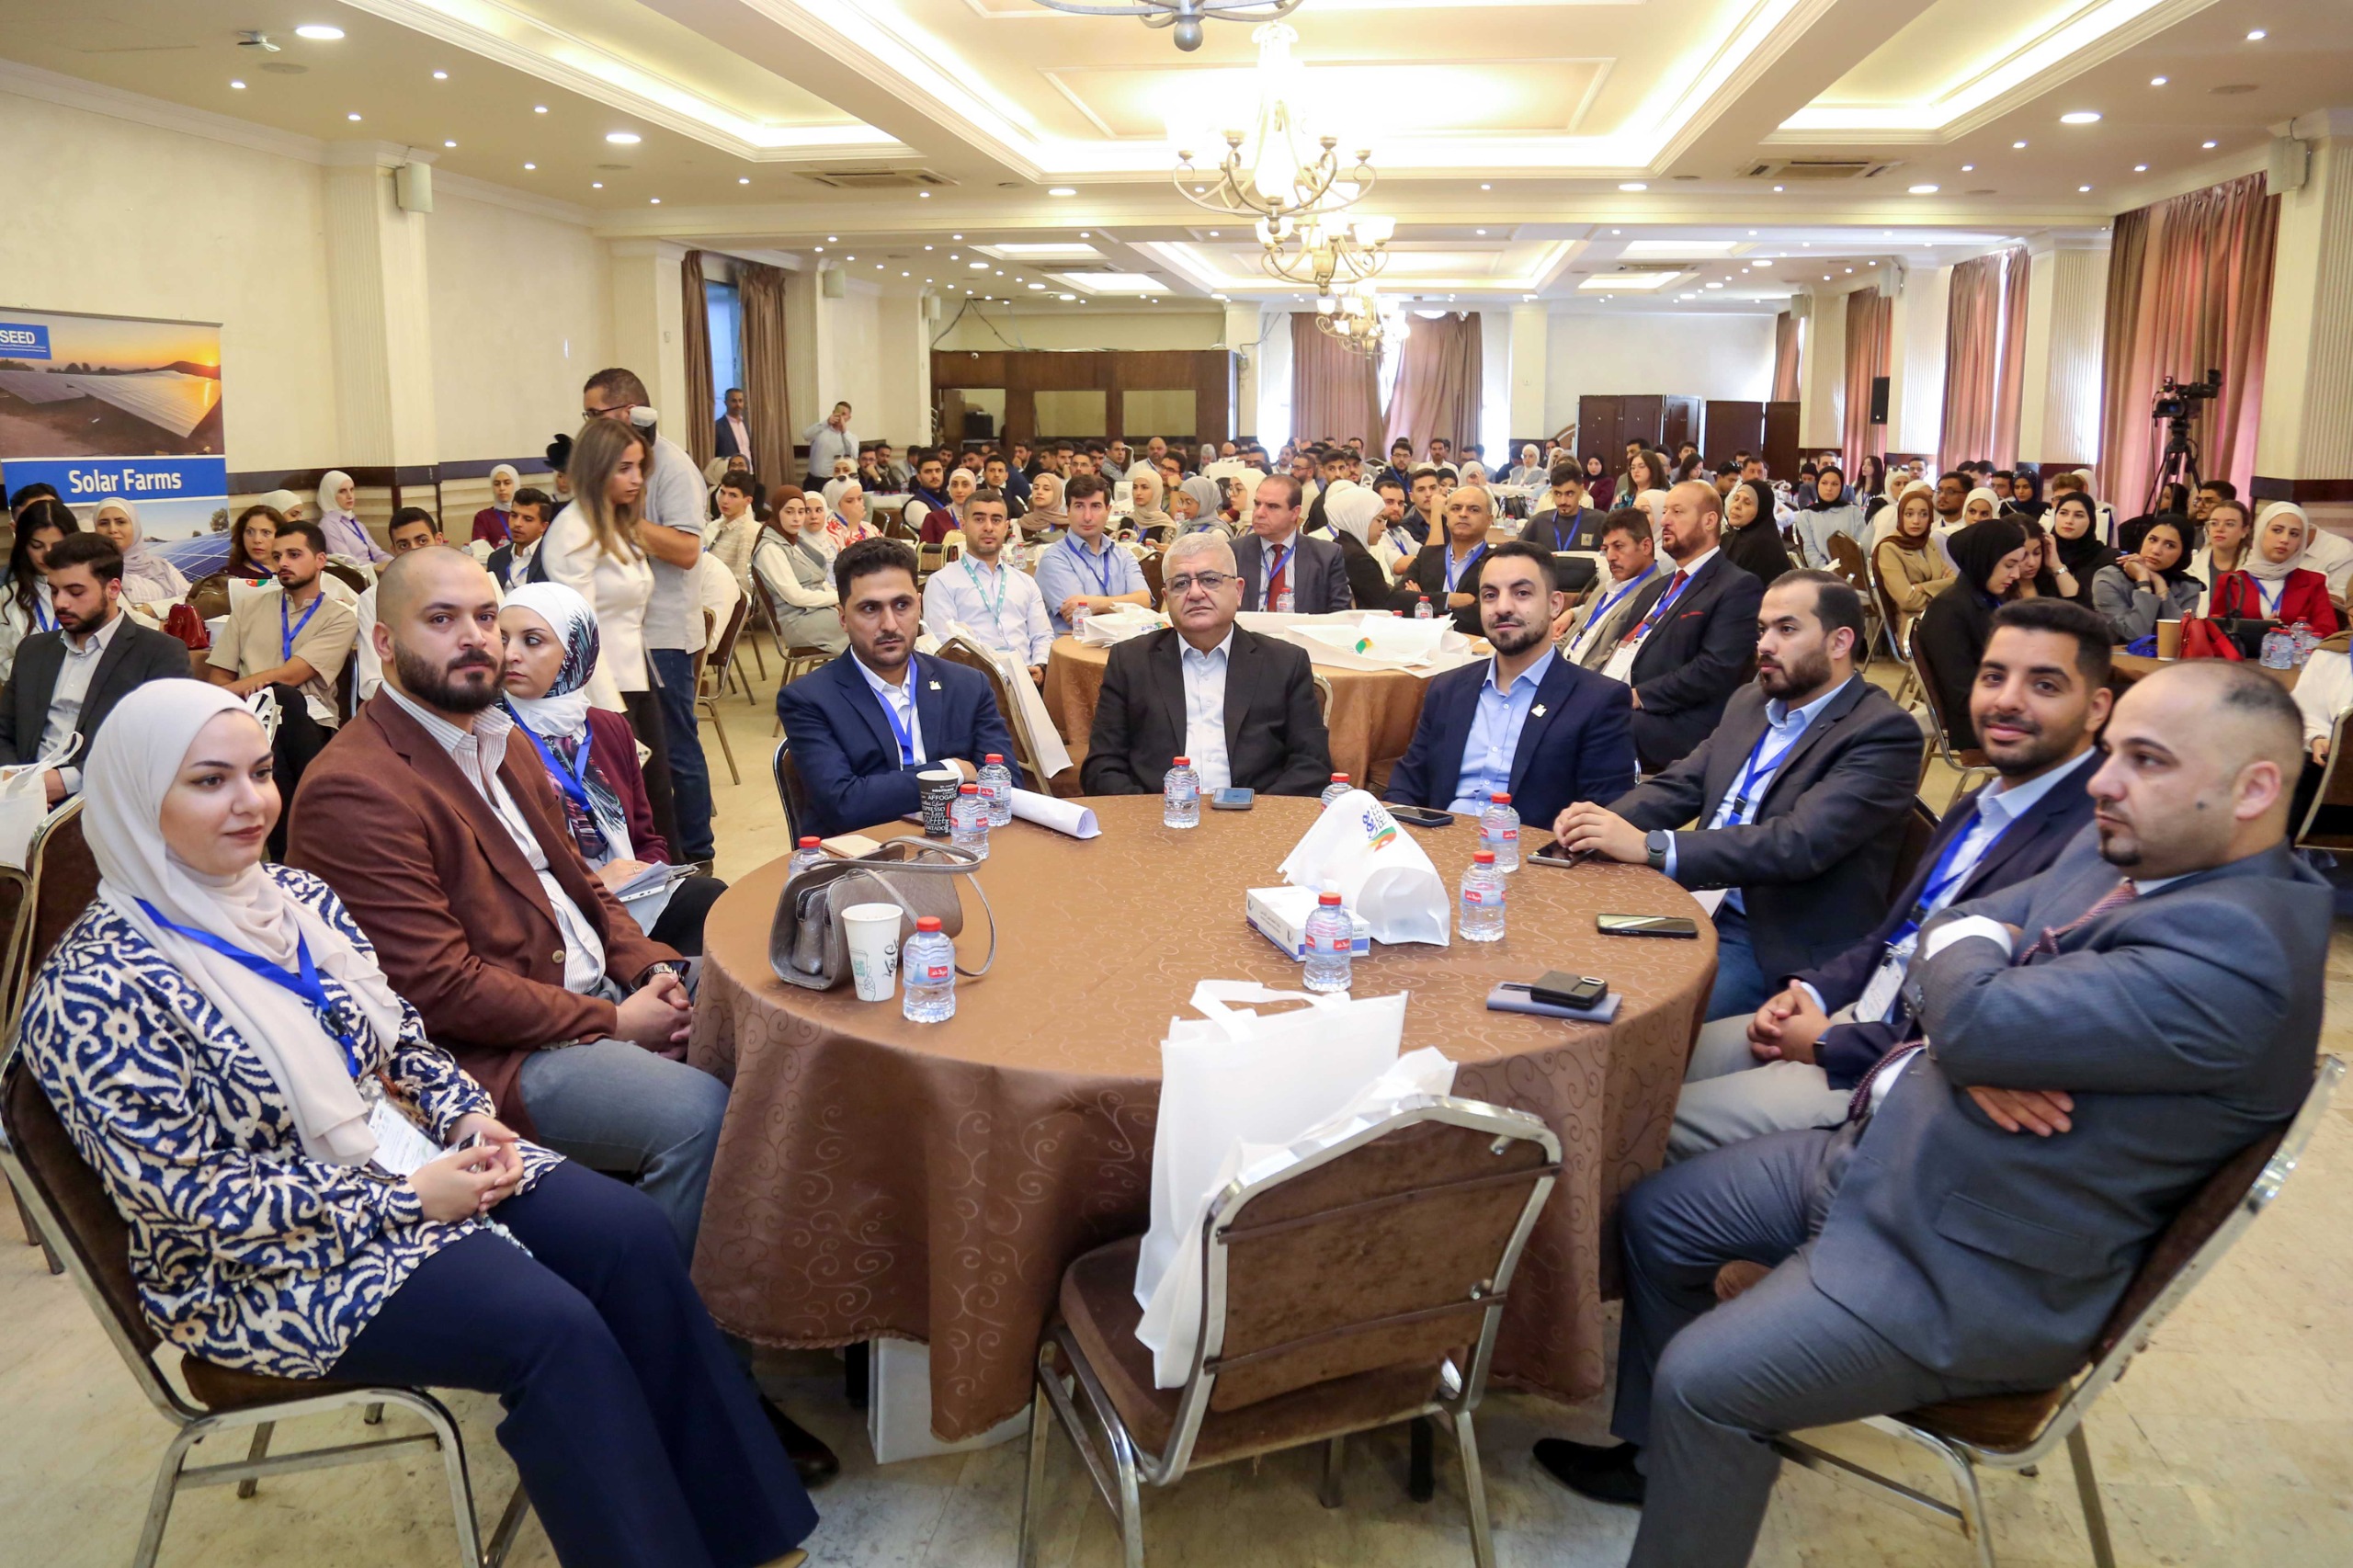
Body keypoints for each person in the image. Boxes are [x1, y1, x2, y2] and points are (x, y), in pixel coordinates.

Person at [1544, 660, 2325, 1568]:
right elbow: (1958, 927)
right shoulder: (2134, 845)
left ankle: (1697, 1450)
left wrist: (1976, 1015)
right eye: (2112, 753)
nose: (2103, 782)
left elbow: (1972, 997)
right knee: (1656, 1213)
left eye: (2146, 760)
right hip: (1892, 1155)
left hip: (1967, 1263)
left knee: (1704, 1378)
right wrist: (1972, 1022)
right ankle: (1666, 1460)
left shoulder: (2239, 954)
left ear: (2253, 789)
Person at [22, 682, 818, 1568]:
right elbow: (192, 1202)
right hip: (267, 1265)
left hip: (409, 1158)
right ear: (138, 799)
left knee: (630, 1237)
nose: (251, 803)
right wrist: (408, 1201)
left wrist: (467, 1116)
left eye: (259, 773)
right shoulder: (94, 993)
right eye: (210, 782)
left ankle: (744, 1529)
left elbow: (400, 1038)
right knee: (552, 1330)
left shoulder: (290, 897)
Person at [1669, 598, 2111, 1159]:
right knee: (1651, 1056)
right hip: (1855, 1009)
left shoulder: (2092, 842)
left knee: (1643, 1112)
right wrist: (1812, 991)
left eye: (2044, 685)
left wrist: (1829, 1042)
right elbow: (1895, 933)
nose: (2007, 700)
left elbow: (1984, 1028)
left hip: (1891, 1071)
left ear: (2096, 708)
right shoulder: (1985, 801)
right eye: (1994, 677)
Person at [1556, 571, 1918, 1019]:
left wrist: (1650, 847)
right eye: (1762, 630)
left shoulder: (1882, 733)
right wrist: (1594, 825)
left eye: (1787, 629)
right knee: (1560, 967)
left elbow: (1796, 844)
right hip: (1691, 903)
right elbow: (1684, 783)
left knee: (1629, 1013)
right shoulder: (1752, 701)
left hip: (1768, 935)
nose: (1765, 645)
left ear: (1839, 642)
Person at [498, 583, 726, 955]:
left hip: (628, 895)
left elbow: (646, 837)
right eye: (502, 639)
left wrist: (644, 873)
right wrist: (595, 882)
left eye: (532, 641)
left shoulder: (606, 727)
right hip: (555, 910)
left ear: (576, 650)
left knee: (713, 904)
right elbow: (503, 872)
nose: (510, 655)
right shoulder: (491, 735)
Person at [774, 538, 1017, 840]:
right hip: (865, 856)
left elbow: (1004, 785)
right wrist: (952, 770)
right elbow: (845, 805)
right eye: (870, 608)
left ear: (919, 606)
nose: (889, 624)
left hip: (964, 845)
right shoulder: (809, 699)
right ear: (843, 618)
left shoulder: (967, 685)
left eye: (902, 605)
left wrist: (881, 791)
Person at [1387, 540, 1636, 827]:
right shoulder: (1448, 689)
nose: (1503, 607)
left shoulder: (1597, 700)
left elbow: (1604, 820)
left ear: (1554, 605)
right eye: (1490, 595)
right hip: (1440, 842)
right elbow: (1406, 787)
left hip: (1529, 850)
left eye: (1522, 593)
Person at [577, 369, 713, 869]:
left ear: (630, 412)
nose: (589, 424)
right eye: (586, 416)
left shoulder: (672, 468)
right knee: (638, 751)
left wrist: (620, 516)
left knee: (675, 748)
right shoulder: (608, 468)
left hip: (661, 633)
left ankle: (698, 853)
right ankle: (658, 849)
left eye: (595, 414)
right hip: (618, 636)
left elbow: (687, 550)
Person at [1080, 532, 1332, 797]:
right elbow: (1101, 767)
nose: (1195, 593)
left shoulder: (1284, 663)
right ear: (1167, 597)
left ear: (1238, 591)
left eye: (1210, 580)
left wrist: (1257, 814)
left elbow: (1312, 765)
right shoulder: (1131, 662)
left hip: (1258, 813)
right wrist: (1153, 815)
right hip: (1157, 814)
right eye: (1181, 584)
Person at [537, 412, 680, 858]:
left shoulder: (618, 525)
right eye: (624, 468)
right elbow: (580, 634)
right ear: (597, 468)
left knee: (658, 800)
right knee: (633, 808)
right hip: (601, 691)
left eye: (640, 467)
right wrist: (611, 713)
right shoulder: (572, 532)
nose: (637, 479)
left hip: (634, 679)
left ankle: (673, 883)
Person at [205, 519, 359, 853]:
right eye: (277, 557)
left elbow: (291, 676)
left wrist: (222, 695)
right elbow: (218, 677)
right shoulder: (248, 608)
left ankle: (285, 855)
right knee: (272, 719)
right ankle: (318, 830)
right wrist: (231, 698)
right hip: (247, 717)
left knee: (282, 697)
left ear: (320, 560)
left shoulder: (339, 617)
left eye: (294, 554)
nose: (283, 563)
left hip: (310, 722)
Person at [0, 532, 189, 801]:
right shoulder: (33, 650)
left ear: (113, 589)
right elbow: (4, 732)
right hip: (21, 795)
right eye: (54, 590)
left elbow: (163, 745)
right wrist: (17, 782)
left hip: (108, 798)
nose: (60, 603)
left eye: (76, 592)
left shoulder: (159, 653)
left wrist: (65, 782)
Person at [1601, 482, 1768, 771]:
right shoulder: (1656, 589)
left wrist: (1638, 696)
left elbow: (1714, 669)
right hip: (1620, 698)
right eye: (1665, 511)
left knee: (1586, 727)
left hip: (1675, 720)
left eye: (1677, 512)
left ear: (1709, 521)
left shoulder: (1737, 586)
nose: (1664, 521)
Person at [1914, 517, 2031, 749]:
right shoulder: (1949, 610)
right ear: (1984, 561)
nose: (2017, 574)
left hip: (2003, 707)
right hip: (1980, 723)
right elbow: (1962, 694)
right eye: (2009, 565)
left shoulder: (1987, 599)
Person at [923, 486, 1051, 681]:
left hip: (1027, 678)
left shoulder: (1025, 582)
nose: (989, 527)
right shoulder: (942, 582)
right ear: (963, 525)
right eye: (979, 519)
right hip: (974, 682)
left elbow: (1042, 635)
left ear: (1006, 527)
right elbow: (945, 645)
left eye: (996, 520)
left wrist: (1040, 666)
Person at [1034, 473, 1151, 634]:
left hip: (1124, 644)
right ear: (1068, 510)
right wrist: (1126, 607)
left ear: (1108, 510)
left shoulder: (1123, 556)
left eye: (1095, 506)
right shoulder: (1053, 559)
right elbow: (1079, 616)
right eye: (1079, 506)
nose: (1087, 517)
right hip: (1075, 646)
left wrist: (1095, 604)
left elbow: (1144, 602)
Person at [1230, 473, 1351, 616]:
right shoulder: (1233, 553)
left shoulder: (1326, 556)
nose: (1259, 513)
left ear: (1295, 513)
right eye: (1257, 504)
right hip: (1249, 630)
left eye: (1272, 506)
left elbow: (1340, 615)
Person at [2210, 501, 2338, 633]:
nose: (2285, 539)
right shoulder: (2231, 581)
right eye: (2277, 530)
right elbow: (2214, 631)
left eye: (2294, 534)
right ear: (2261, 532)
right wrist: (2257, 630)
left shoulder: (2314, 582)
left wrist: (2287, 634)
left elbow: (2328, 631)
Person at [751, 485, 848, 657]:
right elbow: (795, 596)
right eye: (789, 512)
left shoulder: (794, 541)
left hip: (817, 611)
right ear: (777, 512)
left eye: (801, 512)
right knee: (861, 624)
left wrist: (840, 599)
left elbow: (819, 581)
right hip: (798, 620)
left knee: (865, 617)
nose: (796, 518)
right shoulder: (770, 548)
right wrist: (840, 597)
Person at [1390, 483, 1499, 634]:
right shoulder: (1428, 555)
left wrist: (1422, 602)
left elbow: (1484, 615)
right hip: (1424, 642)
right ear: (1447, 517)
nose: (1463, 514)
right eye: (1456, 508)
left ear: (1489, 520)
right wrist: (1449, 600)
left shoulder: (1496, 562)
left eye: (1473, 509)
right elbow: (1396, 600)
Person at [1561, 511, 1662, 665]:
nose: (1610, 557)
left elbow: (1613, 662)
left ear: (1645, 546)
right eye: (1606, 548)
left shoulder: (1655, 597)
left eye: (1618, 547)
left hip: (1585, 676)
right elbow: (1569, 639)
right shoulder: (1603, 589)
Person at [2092, 514, 2203, 644]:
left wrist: (2160, 585)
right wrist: (2143, 582)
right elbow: (2134, 635)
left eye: (2170, 545)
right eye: (2153, 539)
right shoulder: (2109, 578)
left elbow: (2180, 639)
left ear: (2183, 553)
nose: (2156, 550)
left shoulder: (2188, 587)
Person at [0, 499, 76, 683]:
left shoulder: (93, 586)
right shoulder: (7, 595)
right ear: (23, 545)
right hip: (30, 692)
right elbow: (2, 659)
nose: (47, 554)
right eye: (37, 546)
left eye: (56, 545)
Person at [1870, 483, 1955, 646]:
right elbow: (1907, 600)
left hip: (1940, 619)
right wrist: (1940, 588)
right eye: (1909, 514)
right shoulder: (1889, 548)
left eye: (1923, 514)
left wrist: (1920, 587)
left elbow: (1953, 582)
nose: (1916, 521)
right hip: (1914, 627)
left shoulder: (1928, 543)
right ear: (1900, 516)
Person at [86, 496, 190, 619]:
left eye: (120, 522)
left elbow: (192, 599)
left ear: (135, 526)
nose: (113, 530)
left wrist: (151, 609)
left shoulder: (161, 566)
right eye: (104, 523)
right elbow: (124, 616)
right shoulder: (94, 571)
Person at [1718, 477, 1794, 587]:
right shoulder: (1729, 538)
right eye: (1736, 498)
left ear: (1761, 510)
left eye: (1747, 503)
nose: (1736, 506)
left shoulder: (1763, 547)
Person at [2048, 489, 2115, 608]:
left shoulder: (2106, 558)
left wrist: (2057, 566)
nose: (2069, 521)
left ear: (2091, 521)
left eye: (2078, 515)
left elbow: (2092, 605)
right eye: (2063, 513)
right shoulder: (2043, 550)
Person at [1791, 464, 1866, 568]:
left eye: (1835, 484)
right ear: (1817, 485)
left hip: (1852, 569)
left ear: (1841, 487)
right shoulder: (1806, 515)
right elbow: (1810, 549)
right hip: (1821, 572)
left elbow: (1862, 544)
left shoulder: (1853, 512)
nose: (1829, 488)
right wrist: (1826, 570)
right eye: (1824, 483)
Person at [1520, 465, 1606, 553]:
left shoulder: (1599, 521)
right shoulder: (1538, 522)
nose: (1563, 501)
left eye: (1569, 494)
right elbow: (1516, 555)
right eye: (1557, 494)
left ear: (1581, 490)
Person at [704, 470, 762, 594]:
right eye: (722, 492)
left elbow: (744, 582)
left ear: (747, 501)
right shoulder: (717, 526)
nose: (725, 500)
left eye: (733, 495)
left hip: (725, 597)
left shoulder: (748, 531)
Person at [313, 471, 390, 564]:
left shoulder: (354, 522)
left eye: (352, 490)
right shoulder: (328, 526)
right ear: (330, 495)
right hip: (358, 572)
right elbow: (347, 562)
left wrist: (395, 563)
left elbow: (376, 553)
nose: (350, 496)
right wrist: (376, 568)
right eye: (342, 491)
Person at [487, 487, 553, 590]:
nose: (517, 523)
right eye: (514, 515)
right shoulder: (496, 558)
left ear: (543, 527)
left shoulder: (552, 560)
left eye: (527, 519)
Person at [801, 400, 856, 491]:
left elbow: (854, 454)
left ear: (849, 418)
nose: (840, 417)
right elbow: (806, 435)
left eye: (844, 414)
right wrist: (826, 423)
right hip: (812, 479)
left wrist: (844, 432)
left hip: (834, 481)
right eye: (838, 412)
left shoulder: (850, 437)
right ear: (833, 413)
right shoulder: (820, 430)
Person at [224, 503, 285, 585]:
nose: (257, 540)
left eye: (266, 532)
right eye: (249, 532)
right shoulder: (228, 578)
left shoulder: (295, 572)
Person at [472, 463, 520, 546]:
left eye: (507, 483)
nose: (502, 488)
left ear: (516, 484)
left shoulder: (526, 514)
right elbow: (479, 549)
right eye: (497, 484)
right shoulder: (483, 517)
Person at [713, 386, 754, 468]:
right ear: (725, 402)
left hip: (748, 472)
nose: (738, 405)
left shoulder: (745, 425)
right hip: (729, 472)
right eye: (734, 401)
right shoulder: (718, 426)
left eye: (740, 401)